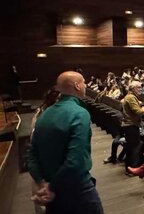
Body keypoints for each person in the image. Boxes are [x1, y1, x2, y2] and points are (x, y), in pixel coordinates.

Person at [26, 71, 104, 213]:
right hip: (77, 189)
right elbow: (75, 161)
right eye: (84, 82)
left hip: (51, 193)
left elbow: (31, 154)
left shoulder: (44, 114)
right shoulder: (79, 113)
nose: (86, 85)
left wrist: (42, 183)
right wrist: (51, 188)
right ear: (77, 86)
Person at [122, 81, 144, 173]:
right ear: (133, 88)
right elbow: (137, 111)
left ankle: (129, 167)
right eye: (138, 87)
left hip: (130, 125)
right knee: (134, 147)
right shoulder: (131, 97)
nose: (140, 89)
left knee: (132, 146)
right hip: (131, 125)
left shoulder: (130, 97)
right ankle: (132, 167)